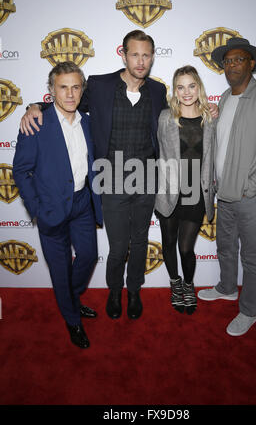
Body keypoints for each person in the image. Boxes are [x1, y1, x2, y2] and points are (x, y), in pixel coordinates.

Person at [19, 30, 168, 321]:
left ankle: (134, 290)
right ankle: (114, 291)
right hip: (110, 180)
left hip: (146, 177)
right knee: (117, 245)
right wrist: (34, 106)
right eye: (134, 54)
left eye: (146, 55)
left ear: (152, 57)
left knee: (139, 241)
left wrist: (207, 108)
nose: (140, 61)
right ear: (123, 54)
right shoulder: (100, 85)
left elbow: (174, 119)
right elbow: (66, 101)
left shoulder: (158, 91)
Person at [198, 37, 256, 336]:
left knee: (250, 256)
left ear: (251, 64)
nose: (231, 65)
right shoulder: (225, 97)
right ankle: (226, 287)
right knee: (224, 246)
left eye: (238, 59)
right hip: (225, 192)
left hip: (251, 196)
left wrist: (252, 185)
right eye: (228, 61)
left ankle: (249, 310)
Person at [13, 61, 103, 349]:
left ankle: (69, 300)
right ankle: (72, 319)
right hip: (50, 208)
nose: (69, 93)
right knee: (60, 268)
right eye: (63, 87)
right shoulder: (36, 123)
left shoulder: (88, 122)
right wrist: (35, 208)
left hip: (82, 203)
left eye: (75, 87)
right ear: (51, 90)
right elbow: (21, 170)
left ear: (82, 90)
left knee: (88, 255)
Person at [155, 65, 215, 314]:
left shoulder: (211, 118)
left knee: (186, 248)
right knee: (168, 243)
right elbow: (157, 151)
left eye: (191, 86)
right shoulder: (165, 117)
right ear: (175, 91)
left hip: (195, 193)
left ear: (198, 87)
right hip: (169, 192)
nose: (187, 92)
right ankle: (175, 283)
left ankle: (188, 285)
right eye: (181, 87)